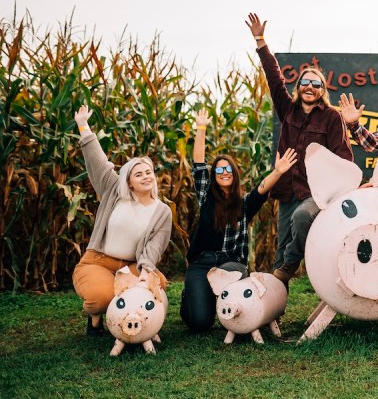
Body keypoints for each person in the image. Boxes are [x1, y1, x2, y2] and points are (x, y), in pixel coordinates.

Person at [246, 13, 353, 286]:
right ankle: (275, 301)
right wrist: (260, 41)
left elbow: (343, 157)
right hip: (287, 190)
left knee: (302, 217)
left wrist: (336, 189)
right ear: (298, 87)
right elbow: (273, 76)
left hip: (315, 192)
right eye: (305, 82)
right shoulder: (288, 110)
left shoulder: (331, 117)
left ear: (322, 90)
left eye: (316, 84)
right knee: (281, 249)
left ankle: (292, 263)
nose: (310, 87)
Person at [180, 109, 297, 332]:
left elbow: (261, 189)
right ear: (214, 176)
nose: (224, 172)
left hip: (230, 263)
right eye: (219, 170)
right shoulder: (206, 197)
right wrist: (201, 128)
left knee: (234, 271)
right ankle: (193, 296)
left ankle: (220, 297)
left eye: (228, 169)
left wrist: (278, 171)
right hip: (202, 263)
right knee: (200, 323)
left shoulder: (244, 205)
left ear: (234, 173)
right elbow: (198, 164)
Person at [71, 104, 172, 335]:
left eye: (148, 172)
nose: (145, 177)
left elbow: (154, 247)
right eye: (138, 174)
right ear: (129, 182)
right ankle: (95, 318)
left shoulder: (162, 211)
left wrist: (145, 274)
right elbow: (98, 161)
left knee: (158, 283)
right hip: (97, 261)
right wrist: (84, 126)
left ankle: (133, 319)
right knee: (101, 298)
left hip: (130, 266)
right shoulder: (114, 190)